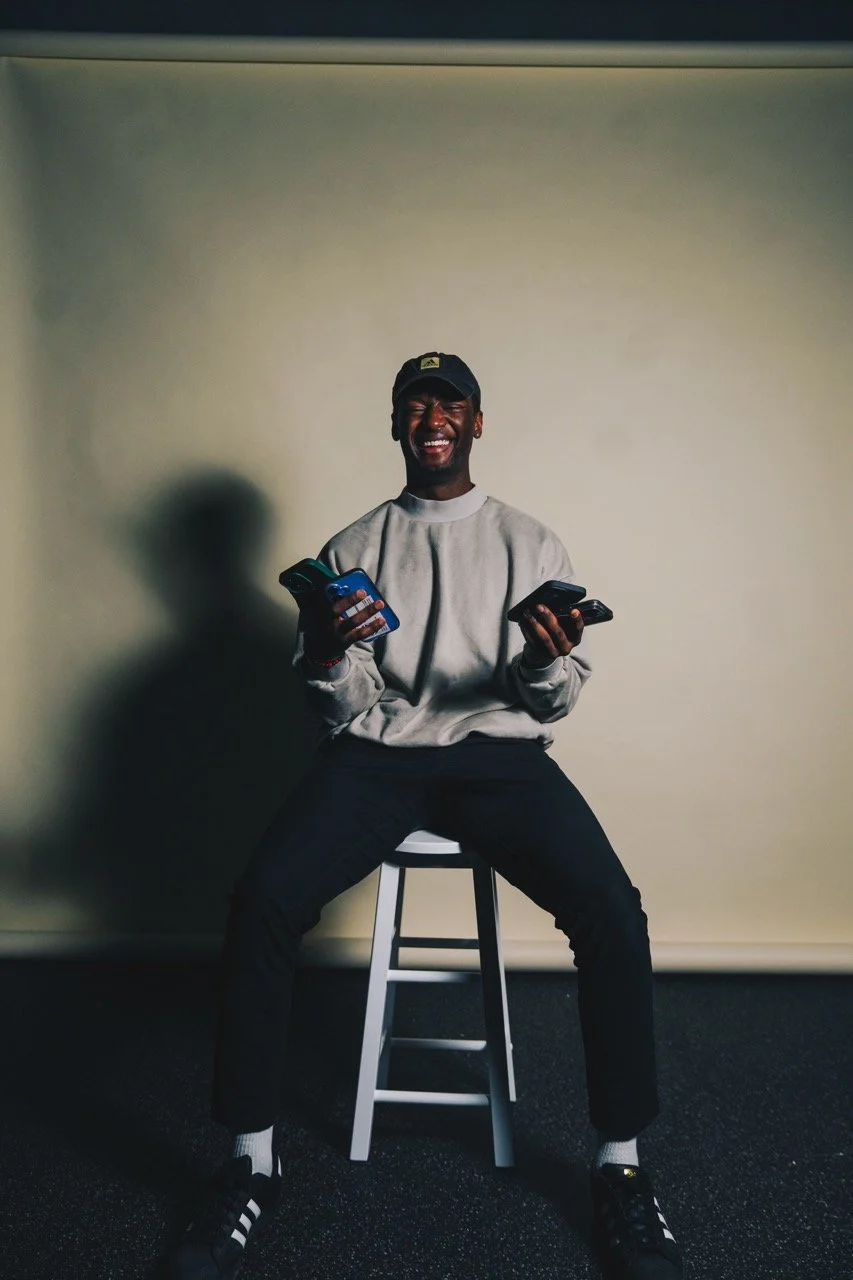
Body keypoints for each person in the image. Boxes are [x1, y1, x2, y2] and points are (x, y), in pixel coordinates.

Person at [167, 352, 683, 1280]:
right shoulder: (353, 545)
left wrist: (538, 659)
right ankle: (249, 1159)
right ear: (397, 425)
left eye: (450, 403)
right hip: (376, 761)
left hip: (498, 759)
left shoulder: (531, 541)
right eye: (415, 402)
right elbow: (338, 706)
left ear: (477, 423)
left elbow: (552, 704)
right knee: (263, 900)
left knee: (613, 910)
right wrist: (327, 653)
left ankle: (619, 1170)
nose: (431, 415)